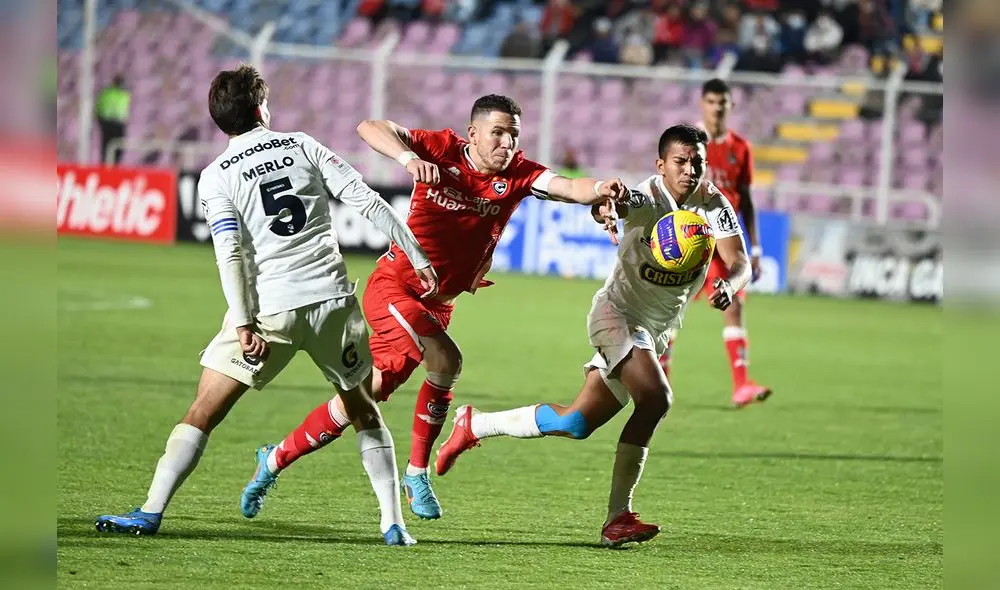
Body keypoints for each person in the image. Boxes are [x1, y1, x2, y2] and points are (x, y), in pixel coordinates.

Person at [240, 94, 628, 521]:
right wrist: (408, 158)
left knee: (369, 393)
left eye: (514, 135)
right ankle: (417, 472)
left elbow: (569, 187)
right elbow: (370, 127)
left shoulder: (519, 174)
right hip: (394, 287)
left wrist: (601, 189)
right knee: (446, 358)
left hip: (438, 304)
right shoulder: (440, 148)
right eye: (497, 133)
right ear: (473, 133)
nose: (507, 144)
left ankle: (274, 458)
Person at [94, 65, 435, 546]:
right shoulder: (301, 144)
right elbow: (367, 200)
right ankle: (392, 524)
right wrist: (417, 257)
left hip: (271, 309)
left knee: (203, 412)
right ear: (260, 108)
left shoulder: (215, 177)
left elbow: (229, 252)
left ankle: (150, 511)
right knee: (363, 409)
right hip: (332, 303)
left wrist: (244, 321)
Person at [434, 124, 752, 547]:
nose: (690, 170)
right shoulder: (645, 196)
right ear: (661, 165)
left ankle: (476, 423)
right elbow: (610, 206)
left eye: (698, 162)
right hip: (616, 315)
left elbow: (741, 261)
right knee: (656, 399)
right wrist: (603, 209)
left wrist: (731, 283)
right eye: (681, 161)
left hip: (654, 331)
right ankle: (617, 518)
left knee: (576, 422)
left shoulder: (713, 205)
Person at [660, 78, 771, 408]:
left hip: (723, 238)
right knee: (671, 309)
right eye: (711, 101)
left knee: (733, 304)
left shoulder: (741, 148)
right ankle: (661, 380)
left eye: (722, 102)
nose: (717, 107)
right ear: (702, 104)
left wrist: (755, 248)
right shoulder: (688, 145)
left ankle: (742, 385)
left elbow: (747, 199)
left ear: (730, 105)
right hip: (689, 236)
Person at [96, 75, 130, 164]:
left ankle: (109, 165)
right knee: (113, 146)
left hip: (110, 122)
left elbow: (99, 107)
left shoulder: (107, 92)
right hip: (114, 123)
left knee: (110, 146)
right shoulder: (122, 94)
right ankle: (110, 165)